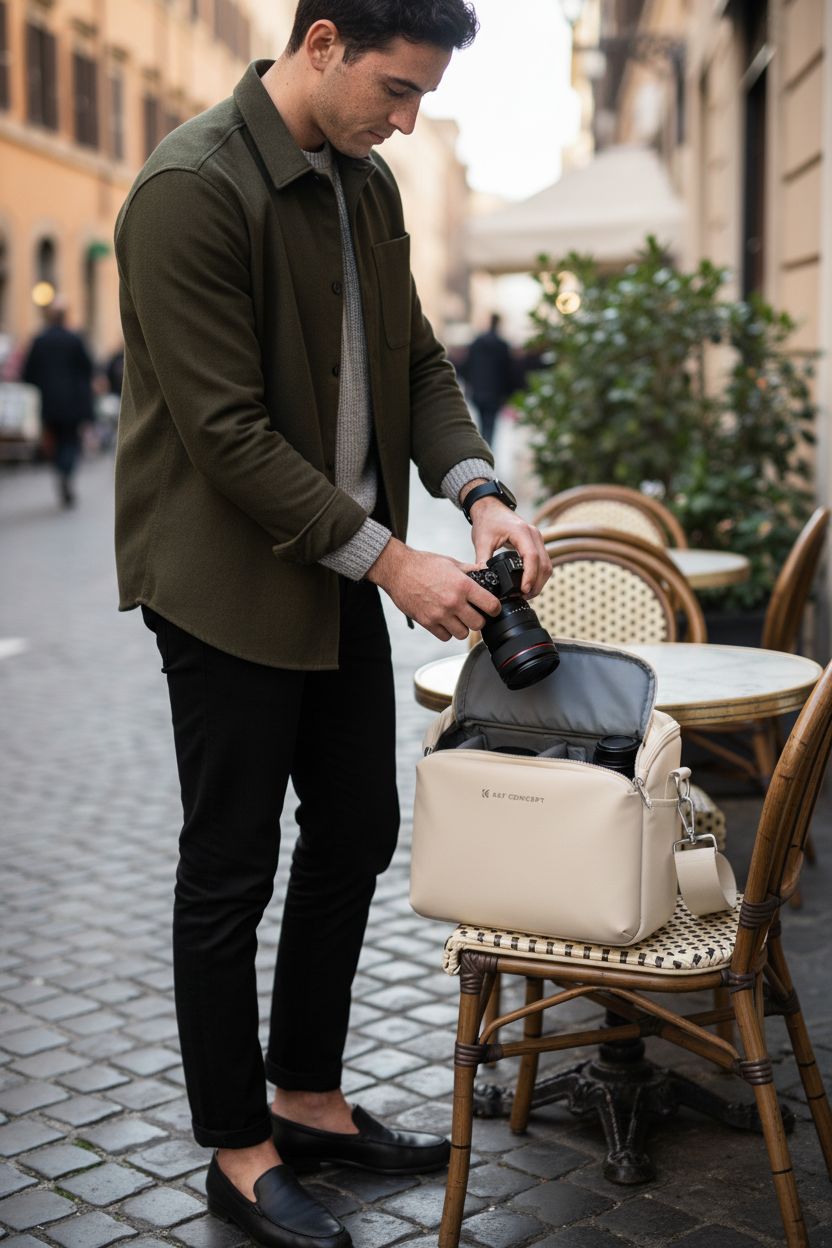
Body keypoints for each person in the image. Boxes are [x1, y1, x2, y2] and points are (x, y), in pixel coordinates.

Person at [113, 4, 550, 1246]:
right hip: (223, 580)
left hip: (342, 565)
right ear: (319, 43)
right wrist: (392, 561)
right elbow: (226, 434)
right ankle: (239, 1147)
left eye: (421, 98)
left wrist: (481, 494)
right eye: (396, 89)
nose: (407, 119)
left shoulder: (363, 183)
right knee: (229, 866)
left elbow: (416, 361)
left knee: (354, 823)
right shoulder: (189, 190)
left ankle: (306, 1096)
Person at [21, 296, 94, 506]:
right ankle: (66, 472)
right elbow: (88, 367)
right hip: (72, 402)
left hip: (49, 403)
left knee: (54, 440)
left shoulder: (40, 341)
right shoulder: (74, 339)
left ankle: (61, 470)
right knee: (70, 441)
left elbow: (28, 372)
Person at [461, 312, 516, 446]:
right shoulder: (502, 345)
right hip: (495, 393)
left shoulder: (477, 343)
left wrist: (471, 384)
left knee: (482, 423)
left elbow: (467, 366)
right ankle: (486, 450)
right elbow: (508, 372)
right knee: (490, 425)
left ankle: (482, 449)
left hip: (479, 391)